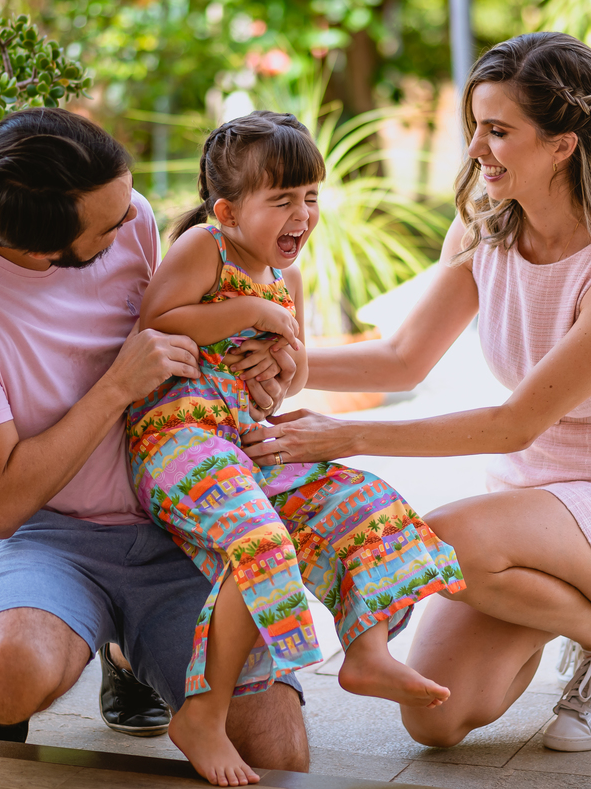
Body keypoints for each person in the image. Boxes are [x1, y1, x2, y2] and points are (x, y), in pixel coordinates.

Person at [240, 32, 591, 753]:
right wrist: (281, 358)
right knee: (436, 716)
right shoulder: (484, 231)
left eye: (498, 130)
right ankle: (576, 616)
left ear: (563, 144)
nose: (475, 148)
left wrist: (342, 435)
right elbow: (403, 358)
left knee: (438, 537)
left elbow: (514, 423)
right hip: (535, 503)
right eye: (476, 126)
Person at [0, 107, 309, 770]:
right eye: (112, 223)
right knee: (7, 676)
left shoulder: (134, 216)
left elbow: (192, 337)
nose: (133, 223)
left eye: (127, 206)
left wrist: (268, 365)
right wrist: (116, 386)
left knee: (274, 750)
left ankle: (126, 653)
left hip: (179, 515)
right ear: (46, 252)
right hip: (50, 533)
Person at [128, 110, 465, 786]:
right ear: (227, 209)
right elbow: (155, 320)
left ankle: (365, 650)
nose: (303, 215)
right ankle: (203, 713)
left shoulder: (291, 279)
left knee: (366, 501)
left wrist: (281, 360)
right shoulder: (205, 248)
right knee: (262, 542)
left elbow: (294, 373)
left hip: (245, 439)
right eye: (282, 199)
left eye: (310, 196)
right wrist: (249, 314)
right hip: (180, 438)